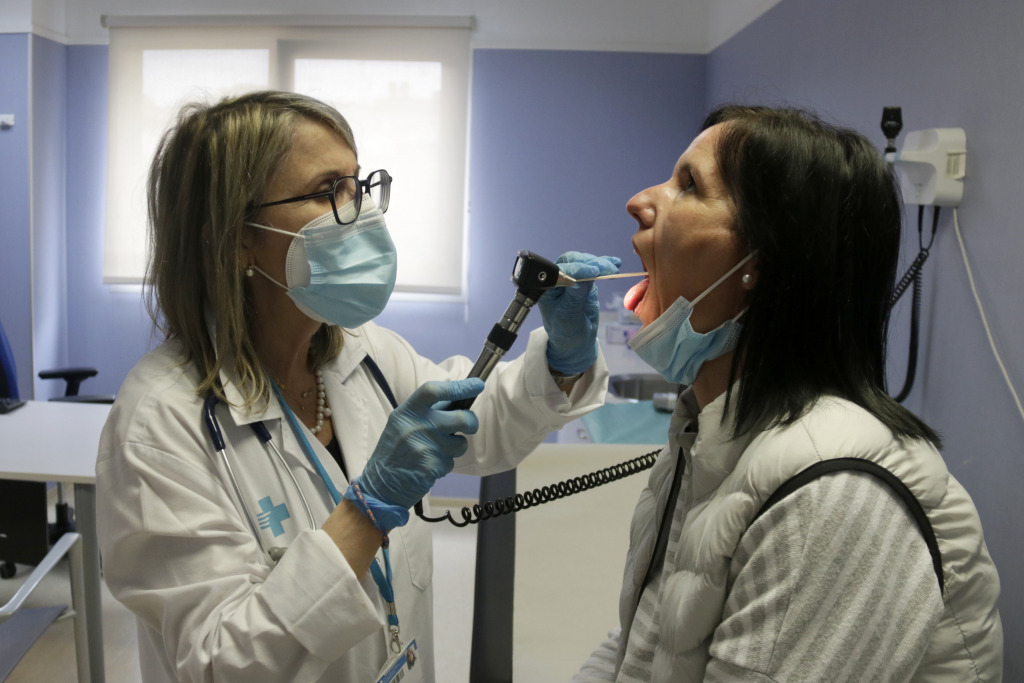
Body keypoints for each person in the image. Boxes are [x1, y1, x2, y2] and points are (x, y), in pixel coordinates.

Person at [95, 90, 620, 682]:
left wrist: (564, 363)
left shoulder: (361, 350)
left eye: (358, 185)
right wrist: (365, 514)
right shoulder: (158, 425)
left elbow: (477, 423)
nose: (361, 212)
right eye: (328, 192)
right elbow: (222, 663)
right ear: (239, 236)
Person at [574, 105, 1002, 682]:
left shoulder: (834, 498)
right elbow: (640, 647)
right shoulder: (708, 436)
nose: (640, 202)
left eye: (689, 185)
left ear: (762, 262)